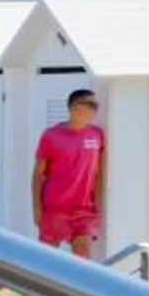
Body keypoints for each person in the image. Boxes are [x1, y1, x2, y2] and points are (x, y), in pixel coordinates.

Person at [29, 89, 108, 259]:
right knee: (48, 259)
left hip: (84, 210)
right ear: (74, 107)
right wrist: (37, 207)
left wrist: (98, 206)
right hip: (55, 207)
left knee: (83, 259)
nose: (95, 110)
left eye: (96, 106)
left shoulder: (97, 134)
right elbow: (38, 174)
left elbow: (98, 174)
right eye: (91, 105)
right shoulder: (51, 135)